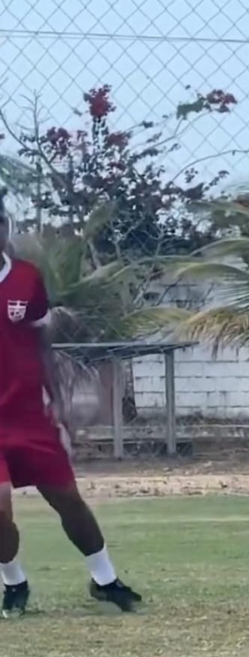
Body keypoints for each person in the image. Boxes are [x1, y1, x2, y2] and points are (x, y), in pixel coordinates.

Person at [0, 206, 143, 618]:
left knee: (68, 500)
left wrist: (57, 404)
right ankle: (13, 582)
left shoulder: (27, 278)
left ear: (5, 227)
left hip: (30, 416)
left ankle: (104, 580)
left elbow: (42, 344)